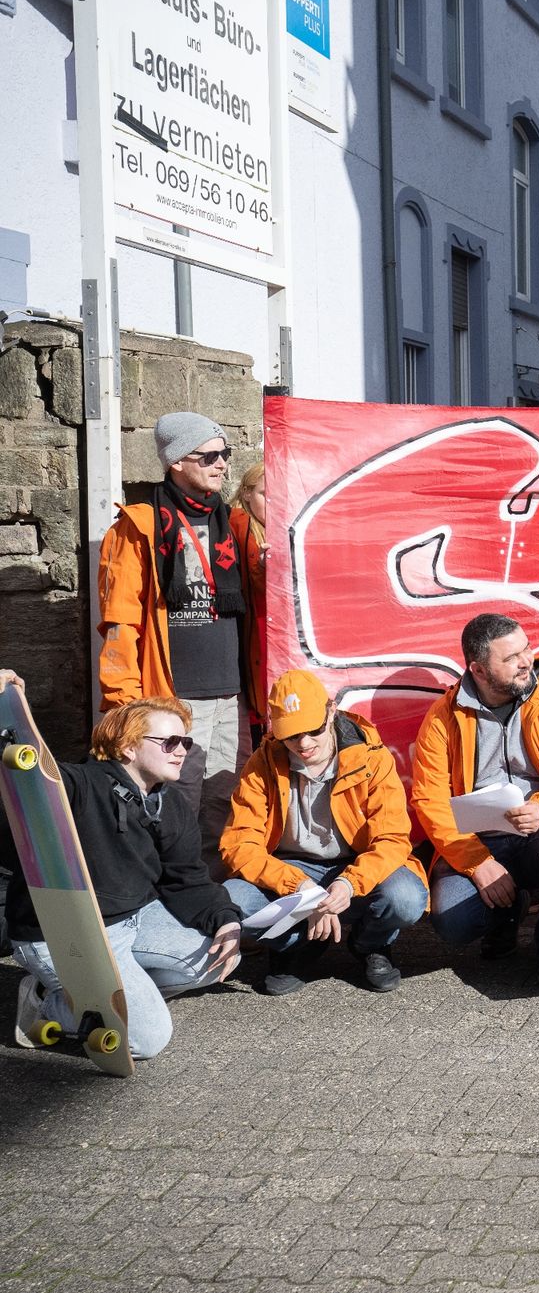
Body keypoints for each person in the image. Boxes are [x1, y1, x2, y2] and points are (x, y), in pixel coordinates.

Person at [0, 671, 242, 1059]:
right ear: (128, 748)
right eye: (169, 742)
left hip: (131, 920)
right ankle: (47, 1001)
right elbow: (31, 780)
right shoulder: (80, 785)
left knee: (217, 958)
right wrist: (16, 721)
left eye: (185, 742)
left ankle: (111, 995)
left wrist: (225, 919)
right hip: (66, 936)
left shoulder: (169, 802)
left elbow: (188, 877)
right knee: (148, 1038)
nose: (181, 751)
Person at [96, 412, 260, 850]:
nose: (221, 463)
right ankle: (168, 895)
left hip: (231, 694)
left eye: (224, 454)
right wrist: (124, 704)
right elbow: (120, 621)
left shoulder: (237, 524)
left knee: (227, 799)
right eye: (208, 454)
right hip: (173, 696)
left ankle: (213, 895)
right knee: (174, 803)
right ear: (176, 462)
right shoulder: (139, 527)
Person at [410, 613, 539, 974]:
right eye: (511, 658)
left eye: (526, 648)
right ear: (479, 670)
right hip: (481, 841)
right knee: (453, 922)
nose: (526, 660)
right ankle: (508, 912)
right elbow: (429, 801)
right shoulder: (441, 718)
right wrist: (477, 863)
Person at [218, 670, 428, 995]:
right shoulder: (262, 764)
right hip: (291, 870)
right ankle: (297, 944)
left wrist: (349, 882)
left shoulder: (371, 758)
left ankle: (369, 944)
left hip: (355, 865)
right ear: (275, 729)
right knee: (229, 901)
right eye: (291, 735)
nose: (303, 744)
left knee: (407, 897)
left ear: (331, 712)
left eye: (313, 730)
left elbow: (391, 839)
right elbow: (238, 844)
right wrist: (299, 887)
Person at [233, 460, 270, 738]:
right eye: (264, 494)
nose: (272, 503)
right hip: (250, 646)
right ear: (246, 493)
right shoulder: (240, 527)